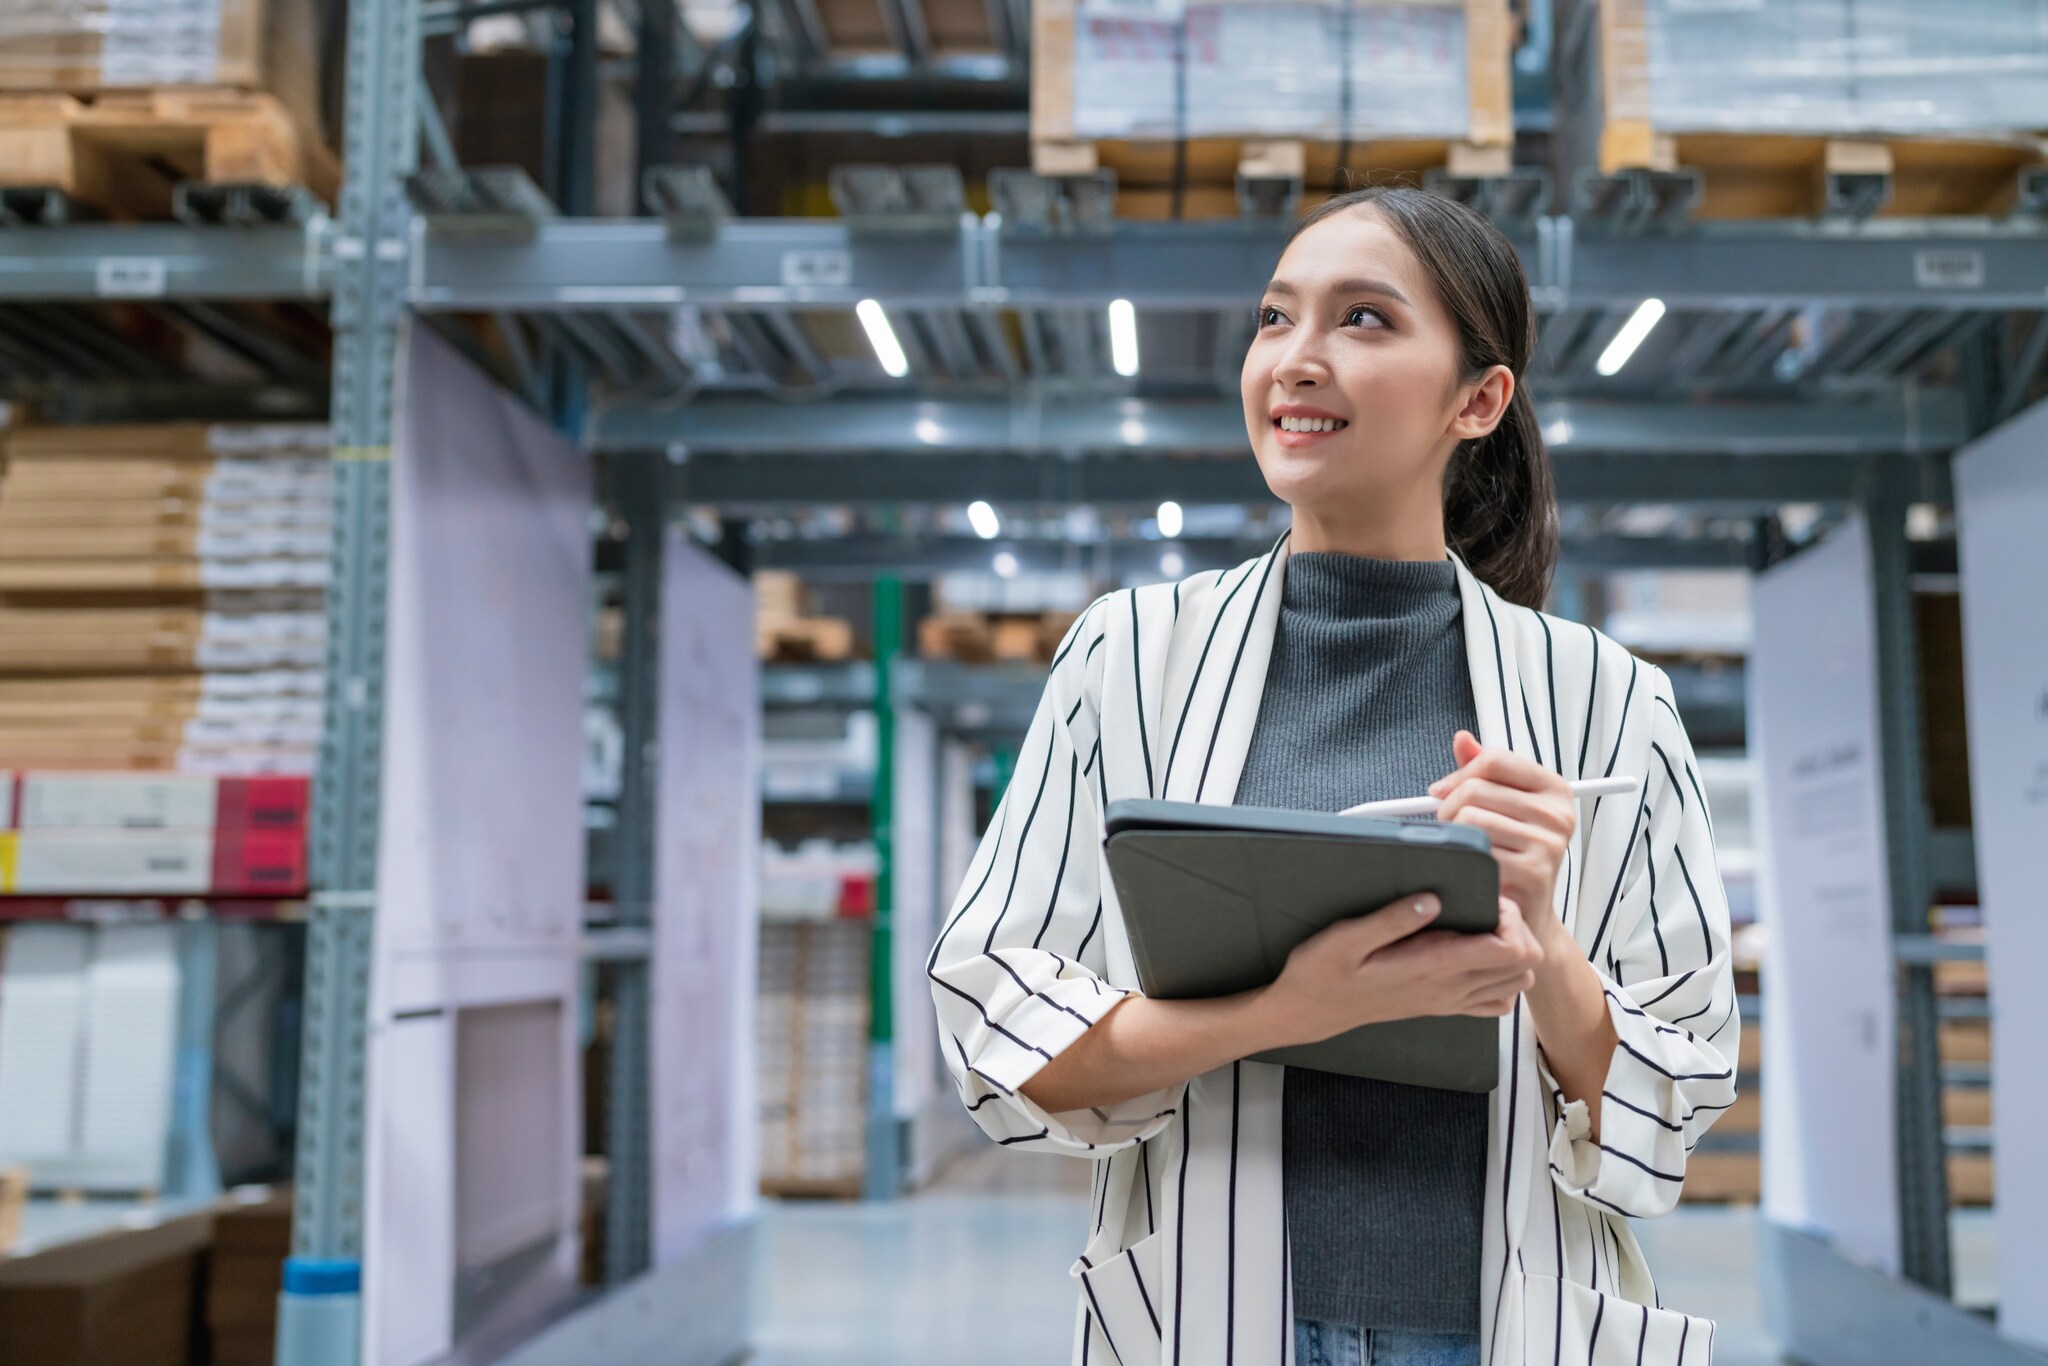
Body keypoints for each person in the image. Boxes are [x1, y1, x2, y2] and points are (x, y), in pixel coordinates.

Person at [926, 186, 1738, 1366]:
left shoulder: (1609, 703)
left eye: (1362, 320)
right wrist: (1292, 1011)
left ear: (1478, 399)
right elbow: (997, 1025)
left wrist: (1544, 945)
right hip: (1214, 1313)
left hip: (1502, 1327)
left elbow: (1678, 1091)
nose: (1296, 361)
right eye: (1274, 319)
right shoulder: (1129, 659)